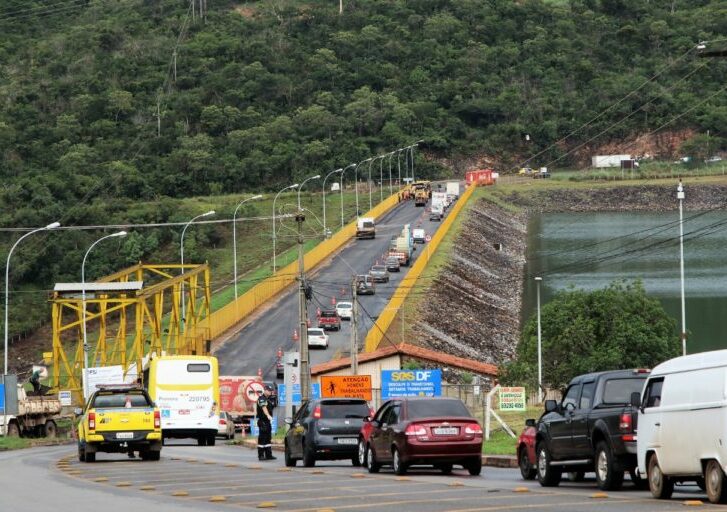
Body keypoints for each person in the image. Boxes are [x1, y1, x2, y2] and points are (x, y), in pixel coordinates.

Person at [256, 385, 277, 461]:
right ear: (264, 390)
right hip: (263, 421)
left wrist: (274, 401)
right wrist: (268, 415)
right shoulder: (262, 399)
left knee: (268, 438)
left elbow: (273, 406)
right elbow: (264, 408)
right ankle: (261, 455)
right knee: (262, 438)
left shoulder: (269, 399)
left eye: (271, 390)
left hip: (268, 421)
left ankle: (268, 455)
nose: (270, 392)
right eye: (268, 390)